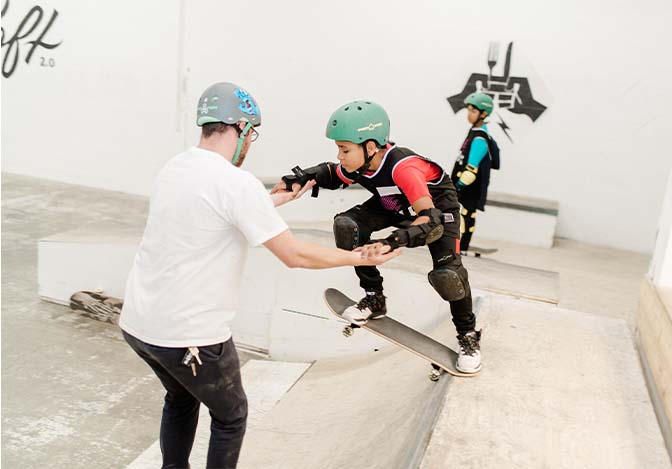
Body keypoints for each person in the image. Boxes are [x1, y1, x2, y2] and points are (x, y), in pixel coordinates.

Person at [119, 83, 399, 469]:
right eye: (251, 135)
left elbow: (215, 209)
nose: (250, 143)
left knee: (181, 398)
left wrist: (274, 200)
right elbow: (295, 255)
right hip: (191, 336)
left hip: (138, 325)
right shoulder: (237, 183)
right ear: (241, 129)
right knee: (230, 417)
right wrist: (357, 256)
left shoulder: (176, 166)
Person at [272, 100, 483, 375]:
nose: (340, 156)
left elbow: (429, 221)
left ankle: (468, 335)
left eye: (345, 149)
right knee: (348, 225)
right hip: (392, 202)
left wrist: (391, 241)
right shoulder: (362, 163)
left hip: (437, 209)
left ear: (370, 146)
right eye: (338, 149)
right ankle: (374, 298)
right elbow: (330, 174)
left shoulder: (403, 168)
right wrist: (297, 180)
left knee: (448, 275)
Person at [450, 92, 499, 254]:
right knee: (464, 214)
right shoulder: (475, 131)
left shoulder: (480, 139)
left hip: (469, 186)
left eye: (473, 111)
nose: (469, 115)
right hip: (466, 185)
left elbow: (471, 169)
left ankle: (461, 247)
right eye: (468, 110)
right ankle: (460, 245)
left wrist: (458, 186)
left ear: (483, 114)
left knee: (465, 214)